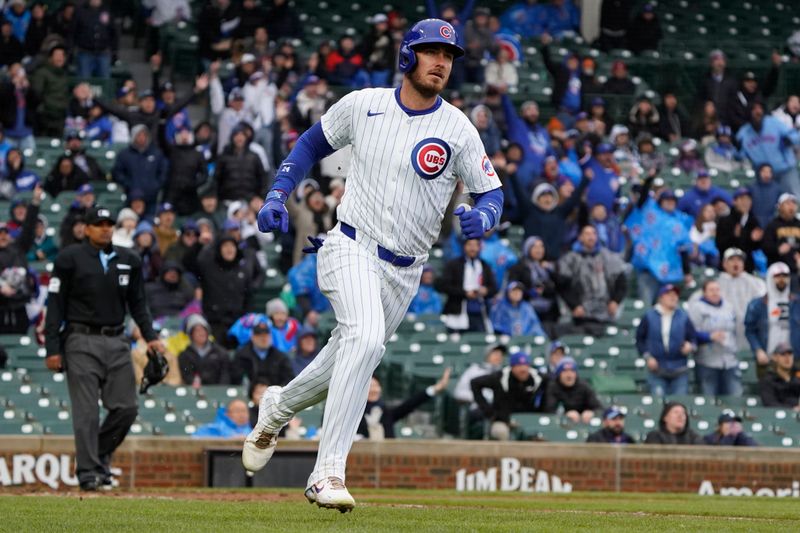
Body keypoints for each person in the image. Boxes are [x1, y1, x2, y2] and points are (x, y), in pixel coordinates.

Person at [242, 19, 504, 511]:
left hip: (406, 271)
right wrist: (279, 192)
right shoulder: (365, 105)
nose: (441, 62)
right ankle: (327, 473)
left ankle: (276, 408)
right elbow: (310, 144)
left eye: (449, 56)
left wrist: (485, 216)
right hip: (349, 244)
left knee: (348, 356)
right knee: (364, 339)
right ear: (408, 56)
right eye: (431, 52)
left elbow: (492, 190)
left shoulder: (458, 128)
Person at [44, 206, 164, 491]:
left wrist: (151, 337)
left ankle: (98, 456)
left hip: (117, 339)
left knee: (127, 408)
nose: (105, 228)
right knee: (86, 412)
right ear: (85, 228)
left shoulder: (129, 259)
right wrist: (52, 348)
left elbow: (138, 304)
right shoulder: (68, 258)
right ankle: (89, 474)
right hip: (80, 339)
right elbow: (55, 304)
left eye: (109, 223)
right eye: (98, 224)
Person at [557, 225, 627, 333]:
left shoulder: (607, 256)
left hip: (605, 312)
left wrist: (615, 301)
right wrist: (574, 305)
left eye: (594, 233)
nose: (591, 237)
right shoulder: (570, 258)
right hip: (581, 314)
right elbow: (563, 285)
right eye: (587, 234)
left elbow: (621, 280)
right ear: (580, 237)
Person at [196, 236, 261, 346]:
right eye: (225, 246)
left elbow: (248, 295)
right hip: (215, 321)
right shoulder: (209, 267)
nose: (229, 249)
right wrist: (204, 244)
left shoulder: (242, 270)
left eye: (232, 246)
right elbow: (197, 261)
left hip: (238, 322)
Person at [636, 285, 697, 396]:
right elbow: (640, 339)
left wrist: (690, 346)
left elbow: (693, 338)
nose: (673, 298)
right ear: (661, 297)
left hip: (680, 368)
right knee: (658, 402)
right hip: (657, 368)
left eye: (675, 295)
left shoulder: (683, 316)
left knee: (679, 402)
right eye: (669, 295)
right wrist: (647, 357)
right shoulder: (649, 316)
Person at [470, 352, 545, 441]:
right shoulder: (501, 377)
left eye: (525, 365)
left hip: (529, 421)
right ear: (512, 367)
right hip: (503, 420)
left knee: (541, 435)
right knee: (501, 432)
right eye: (519, 366)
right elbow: (475, 383)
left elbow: (551, 390)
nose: (523, 369)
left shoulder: (538, 378)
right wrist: (489, 412)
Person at [359, 369, 451, 440]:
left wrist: (435, 389)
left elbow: (410, 404)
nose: (374, 390)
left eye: (376, 386)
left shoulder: (386, 411)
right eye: (370, 387)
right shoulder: (357, 413)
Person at [688, 280, 741, 397]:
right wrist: (709, 337)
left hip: (729, 360)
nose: (715, 293)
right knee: (709, 397)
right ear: (704, 293)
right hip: (707, 360)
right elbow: (690, 333)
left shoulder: (728, 307)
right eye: (711, 290)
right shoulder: (697, 307)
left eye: (717, 290)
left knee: (735, 396)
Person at [736, 101, 800, 197]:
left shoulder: (773, 122)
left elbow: (794, 135)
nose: (757, 111)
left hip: (785, 170)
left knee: (795, 199)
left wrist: (790, 139)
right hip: (764, 176)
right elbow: (741, 155)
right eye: (754, 109)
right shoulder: (743, 133)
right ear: (749, 112)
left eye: (759, 108)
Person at [0, 185, 40, 333]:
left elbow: (28, 228)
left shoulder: (18, 247)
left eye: (5, 233)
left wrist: (35, 203)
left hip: (20, 305)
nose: (3, 236)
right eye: (0, 234)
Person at [437, 238, 498, 333]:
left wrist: (485, 291)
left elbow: (494, 288)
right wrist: (464, 293)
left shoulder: (485, 265)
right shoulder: (453, 264)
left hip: (480, 312)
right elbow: (444, 286)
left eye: (475, 245)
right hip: (457, 311)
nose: (472, 248)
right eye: (469, 245)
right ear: (464, 246)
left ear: (479, 247)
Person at [112, 125, 169, 216]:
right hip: (131, 197)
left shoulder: (157, 154)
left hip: (151, 197)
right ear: (133, 137)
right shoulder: (124, 154)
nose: (142, 138)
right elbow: (117, 173)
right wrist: (129, 185)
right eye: (139, 135)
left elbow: (163, 172)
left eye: (144, 135)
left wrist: (155, 185)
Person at [717, 247, 766, 349]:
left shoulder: (756, 283)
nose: (736, 263)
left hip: (750, 328)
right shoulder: (717, 284)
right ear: (724, 263)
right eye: (732, 260)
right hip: (726, 330)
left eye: (739, 260)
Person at [506, 236, 558, 326]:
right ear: (528, 248)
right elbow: (513, 287)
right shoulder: (519, 267)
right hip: (525, 309)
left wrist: (550, 272)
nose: (539, 250)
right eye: (535, 247)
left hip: (549, 312)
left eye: (541, 246)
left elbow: (558, 285)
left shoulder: (549, 266)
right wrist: (529, 292)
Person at [231, 321, 295, 387]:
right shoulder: (241, 355)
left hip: (275, 394)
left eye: (266, 335)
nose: (264, 338)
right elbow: (236, 379)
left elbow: (289, 379)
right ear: (252, 337)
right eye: (259, 335)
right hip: (248, 394)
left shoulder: (281, 357)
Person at [715, 188, 762, 273]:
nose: (745, 202)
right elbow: (719, 244)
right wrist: (734, 236)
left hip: (747, 267)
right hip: (727, 268)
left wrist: (756, 240)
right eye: (742, 199)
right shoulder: (725, 220)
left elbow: (756, 247)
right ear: (735, 201)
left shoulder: (753, 221)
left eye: (748, 199)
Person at [543, 357, 602, 424]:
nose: (569, 375)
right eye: (565, 371)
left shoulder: (584, 386)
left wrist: (591, 412)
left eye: (572, 371)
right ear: (559, 374)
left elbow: (599, 408)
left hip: (582, 424)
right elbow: (549, 411)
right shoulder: (553, 387)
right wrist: (565, 414)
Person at [177, 314, 231, 386]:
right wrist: (192, 382)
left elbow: (225, 374)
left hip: (217, 391)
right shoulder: (184, 355)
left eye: (203, 330)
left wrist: (220, 389)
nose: (201, 333)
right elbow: (186, 374)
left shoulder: (221, 353)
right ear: (191, 334)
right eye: (197, 331)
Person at [30, 45, 69, 137]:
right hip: (45, 116)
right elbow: (36, 93)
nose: (60, 58)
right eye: (57, 55)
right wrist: (44, 106)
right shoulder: (42, 72)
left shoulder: (64, 74)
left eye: (62, 55)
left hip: (60, 115)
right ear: (50, 57)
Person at [453, 343, 506, 408]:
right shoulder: (474, 370)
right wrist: (480, 397)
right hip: (479, 409)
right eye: (495, 353)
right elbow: (459, 393)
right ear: (487, 355)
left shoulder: (505, 372)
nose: (498, 356)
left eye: (501, 354)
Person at [74, 0, 117, 78]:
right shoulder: (80, 10)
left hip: (103, 53)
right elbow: (73, 31)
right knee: (84, 81)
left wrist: (114, 51)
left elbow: (113, 32)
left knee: (105, 81)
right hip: (85, 52)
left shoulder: (107, 10)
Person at [763, 194, 800, 271]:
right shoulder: (772, 225)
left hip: (797, 269)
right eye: (787, 203)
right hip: (777, 270)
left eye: (793, 203)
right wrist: (778, 250)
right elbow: (766, 247)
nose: (791, 206)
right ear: (780, 206)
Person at [759, 342, 800, 409]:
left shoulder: (797, 376)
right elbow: (770, 403)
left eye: (790, 354)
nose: (787, 358)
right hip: (778, 417)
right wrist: (791, 409)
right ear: (774, 357)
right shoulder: (768, 380)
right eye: (783, 354)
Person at [751, 164, 782, 229]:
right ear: (759, 172)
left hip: (772, 223)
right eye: (764, 171)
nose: (766, 174)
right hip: (753, 223)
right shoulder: (752, 187)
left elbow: (779, 205)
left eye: (769, 171)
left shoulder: (777, 188)